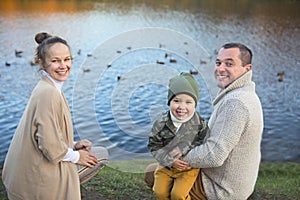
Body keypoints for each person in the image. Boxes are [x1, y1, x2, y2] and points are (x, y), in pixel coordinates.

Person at [145, 43, 264, 200]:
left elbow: (213, 155)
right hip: (227, 181)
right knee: (159, 170)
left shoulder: (235, 103)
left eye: (229, 63)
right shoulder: (244, 94)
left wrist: (173, 156)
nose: (220, 68)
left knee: (151, 174)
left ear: (247, 69)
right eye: (218, 62)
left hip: (221, 189)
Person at [2, 32, 99, 200]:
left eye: (67, 59)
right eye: (55, 61)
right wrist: (77, 156)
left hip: (23, 171)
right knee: (100, 155)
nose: (63, 66)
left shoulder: (50, 86)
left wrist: (74, 144)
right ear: (42, 63)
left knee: (95, 154)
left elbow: (46, 131)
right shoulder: (48, 93)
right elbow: (48, 144)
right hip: (34, 181)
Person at [148, 72, 208, 200]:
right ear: (169, 102)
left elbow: (204, 142)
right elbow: (154, 146)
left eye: (188, 102)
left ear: (195, 104)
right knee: (159, 192)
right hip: (166, 165)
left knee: (178, 195)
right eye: (176, 101)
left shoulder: (199, 123)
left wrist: (183, 148)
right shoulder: (161, 123)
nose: (182, 107)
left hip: (188, 168)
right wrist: (170, 161)